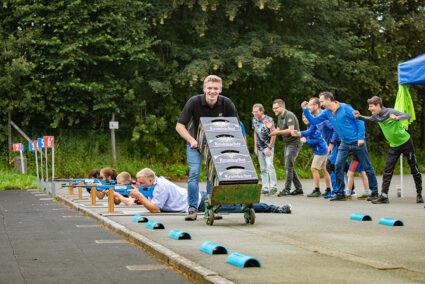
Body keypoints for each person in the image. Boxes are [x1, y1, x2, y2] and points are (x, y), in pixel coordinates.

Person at [176, 75, 239, 221]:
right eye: (209, 88)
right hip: (195, 145)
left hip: (215, 146)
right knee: (194, 173)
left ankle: (212, 207)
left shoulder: (226, 103)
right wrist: (191, 140)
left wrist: (229, 144)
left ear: (220, 90)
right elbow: (179, 126)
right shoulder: (194, 102)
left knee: (212, 176)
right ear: (204, 89)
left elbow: (235, 126)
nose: (212, 91)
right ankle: (192, 208)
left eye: (215, 88)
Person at [302, 91, 379, 201]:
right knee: (337, 165)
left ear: (329, 100)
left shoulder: (345, 108)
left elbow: (359, 121)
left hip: (357, 141)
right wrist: (305, 109)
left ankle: (375, 193)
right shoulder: (327, 113)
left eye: (322, 101)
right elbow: (314, 121)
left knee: (367, 167)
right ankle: (340, 193)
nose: (321, 104)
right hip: (344, 143)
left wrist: (361, 137)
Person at [353, 96, 423, 204]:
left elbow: (408, 115)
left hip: (406, 143)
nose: (369, 109)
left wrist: (397, 118)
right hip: (394, 145)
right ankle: (384, 196)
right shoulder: (376, 116)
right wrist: (359, 117)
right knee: (387, 170)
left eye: (371, 106)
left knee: (414, 168)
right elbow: (369, 119)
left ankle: (419, 194)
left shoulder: (390, 112)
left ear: (378, 105)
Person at [128, 168, 292, 214]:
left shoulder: (160, 186)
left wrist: (140, 195)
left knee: (237, 206)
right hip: (198, 199)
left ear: (150, 180)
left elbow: (155, 209)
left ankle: (275, 208)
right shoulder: (158, 183)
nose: (141, 186)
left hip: (200, 203)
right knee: (234, 203)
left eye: (142, 183)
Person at [265, 99, 303, 196]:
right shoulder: (280, 117)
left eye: (276, 108)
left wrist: (277, 132)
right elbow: (278, 130)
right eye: (273, 108)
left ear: (282, 107)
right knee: (289, 165)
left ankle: (287, 189)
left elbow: (291, 130)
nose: (274, 110)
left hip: (295, 143)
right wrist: (271, 128)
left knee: (288, 166)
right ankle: (299, 189)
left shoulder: (289, 115)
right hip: (288, 144)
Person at [292, 114, 331, 197]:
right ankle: (328, 189)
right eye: (303, 117)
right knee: (324, 170)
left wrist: (306, 141)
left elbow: (318, 140)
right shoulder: (309, 126)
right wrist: (300, 134)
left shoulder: (314, 125)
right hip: (321, 149)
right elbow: (308, 134)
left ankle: (317, 190)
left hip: (321, 150)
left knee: (313, 168)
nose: (304, 119)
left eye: (306, 117)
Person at [252, 103, 278, 195]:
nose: (254, 114)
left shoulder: (269, 119)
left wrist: (270, 147)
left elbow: (274, 133)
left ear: (261, 111)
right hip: (259, 147)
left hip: (268, 146)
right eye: (253, 112)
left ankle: (274, 187)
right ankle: (265, 187)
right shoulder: (254, 119)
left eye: (256, 112)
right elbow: (255, 132)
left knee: (270, 165)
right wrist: (255, 146)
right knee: (263, 168)